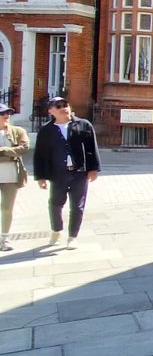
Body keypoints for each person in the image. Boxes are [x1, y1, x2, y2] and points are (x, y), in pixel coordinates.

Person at [32, 96, 100, 248]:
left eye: (65, 105)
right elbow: (40, 154)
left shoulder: (83, 125)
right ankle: (56, 231)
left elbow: (91, 149)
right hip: (58, 173)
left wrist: (93, 169)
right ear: (51, 111)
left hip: (79, 173)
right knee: (55, 204)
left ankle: (72, 237)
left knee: (77, 206)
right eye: (59, 106)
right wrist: (40, 176)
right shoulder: (46, 130)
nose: (64, 108)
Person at [0, 104, 30, 251]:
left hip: (11, 174)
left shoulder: (18, 131)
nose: (6, 116)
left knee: (7, 208)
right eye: (3, 113)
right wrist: (10, 152)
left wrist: (3, 151)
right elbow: (15, 150)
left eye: (8, 113)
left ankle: (4, 239)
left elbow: (23, 148)